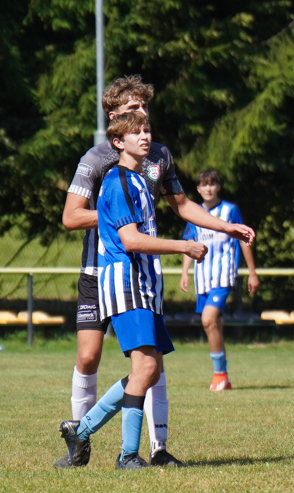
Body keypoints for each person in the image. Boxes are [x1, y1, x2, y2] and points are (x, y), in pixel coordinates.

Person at [57, 75, 255, 468]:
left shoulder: (158, 158)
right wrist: (124, 218)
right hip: (104, 272)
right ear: (115, 120)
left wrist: (223, 226)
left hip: (143, 272)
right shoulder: (98, 162)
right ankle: (81, 437)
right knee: (90, 356)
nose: (142, 117)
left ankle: (155, 448)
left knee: (152, 359)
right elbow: (71, 217)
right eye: (133, 111)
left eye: (145, 110)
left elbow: (182, 205)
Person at [59, 113, 208, 469]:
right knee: (144, 369)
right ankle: (127, 455)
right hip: (126, 284)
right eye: (135, 132)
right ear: (117, 142)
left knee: (151, 369)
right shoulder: (118, 181)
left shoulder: (141, 181)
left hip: (144, 284)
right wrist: (183, 247)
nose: (145, 136)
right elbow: (130, 239)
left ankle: (82, 429)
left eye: (147, 130)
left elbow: (179, 207)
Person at [179, 169, 260, 391]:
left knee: (208, 319)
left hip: (223, 276)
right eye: (203, 185)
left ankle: (219, 375)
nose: (208, 188)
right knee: (214, 325)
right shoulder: (194, 213)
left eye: (212, 184)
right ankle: (223, 376)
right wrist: (185, 272)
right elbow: (190, 244)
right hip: (203, 278)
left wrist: (252, 272)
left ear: (218, 187)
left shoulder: (230, 210)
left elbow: (243, 240)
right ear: (198, 189)